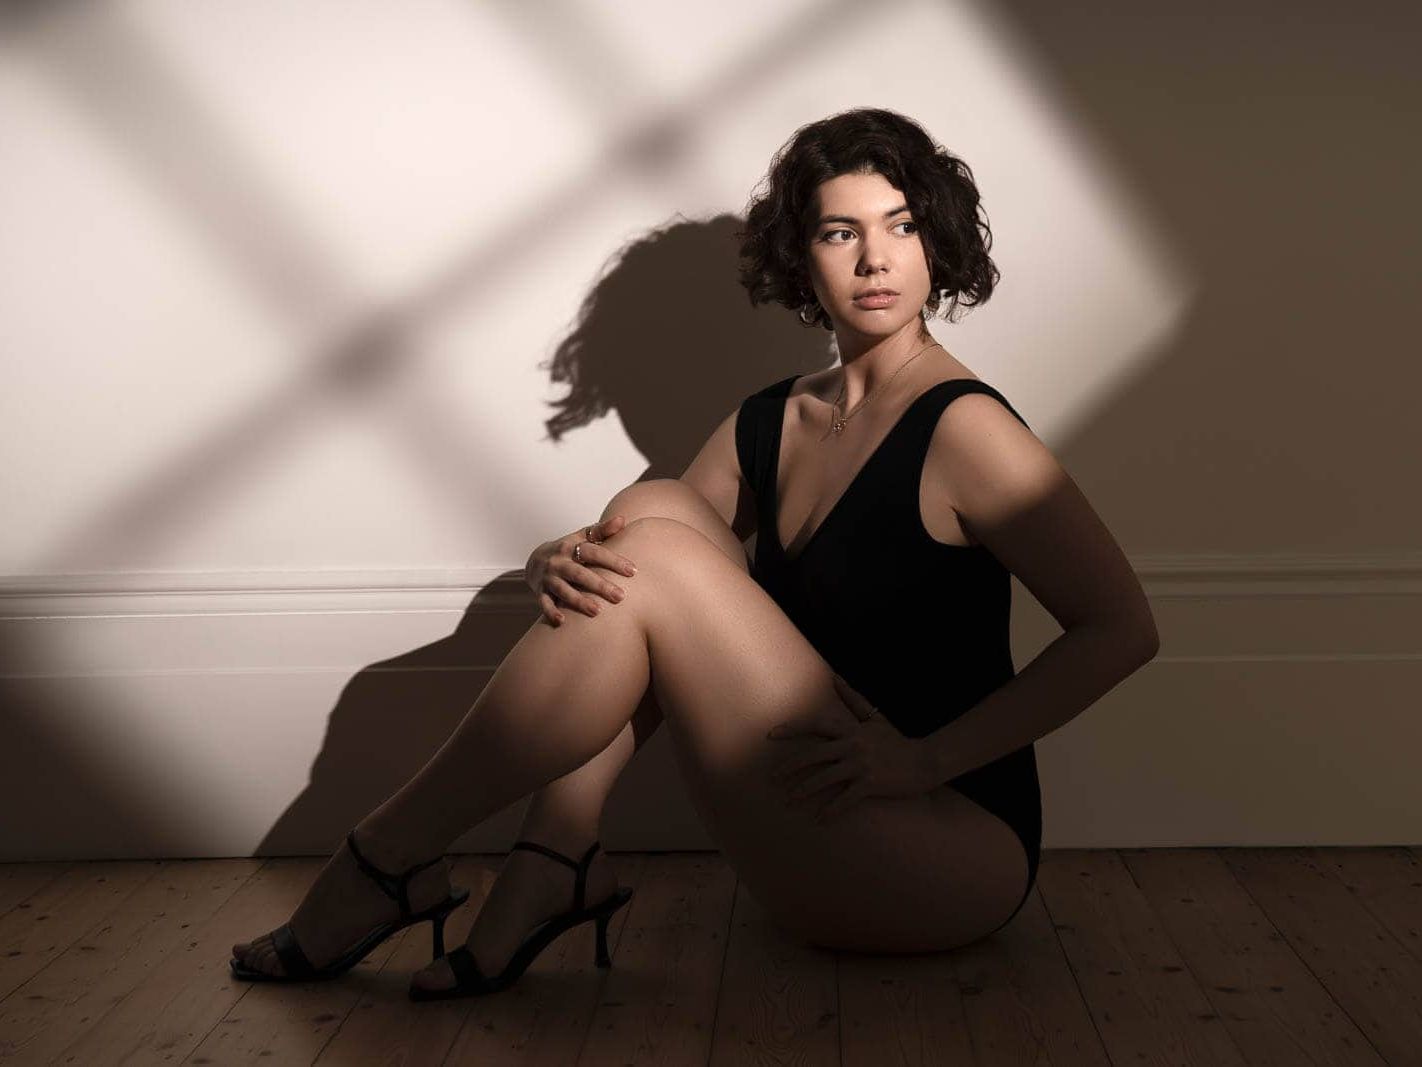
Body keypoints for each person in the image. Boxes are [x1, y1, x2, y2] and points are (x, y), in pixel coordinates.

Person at [230, 107, 1159, 999]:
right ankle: (554, 852)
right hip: (813, 823)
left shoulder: (969, 429)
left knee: (655, 548)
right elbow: (637, 558)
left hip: (947, 853)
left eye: (902, 225)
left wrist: (925, 761)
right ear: (802, 255)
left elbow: (1122, 628)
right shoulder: (772, 419)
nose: (875, 258)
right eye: (840, 232)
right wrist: (550, 555)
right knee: (650, 511)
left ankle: (391, 857)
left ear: (936, 242)